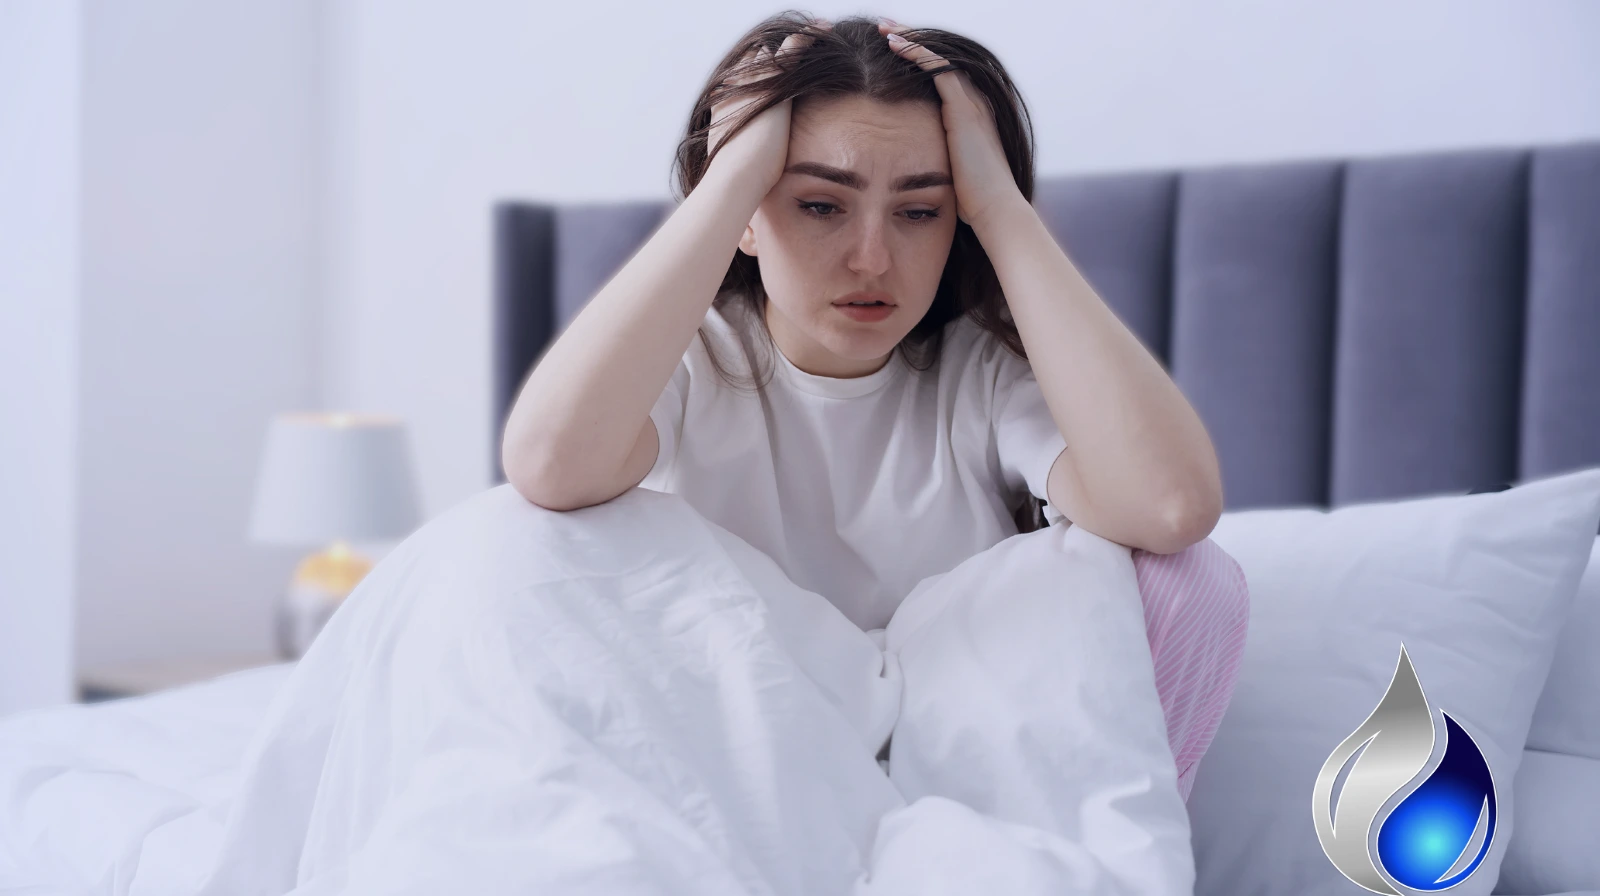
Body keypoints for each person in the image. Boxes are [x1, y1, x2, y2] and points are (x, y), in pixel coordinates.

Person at [501, 13, 1248, 797]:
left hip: (968, 797)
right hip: (740, 786)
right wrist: (730, 183)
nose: (873, 259)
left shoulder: (980, 381)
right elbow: (549, 465)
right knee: (507, 548)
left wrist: (1000, 209)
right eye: (821, 205)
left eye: (920, 211)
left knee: (1192, 581)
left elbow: (1170, 507)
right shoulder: (687, 366)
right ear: (749, 215)